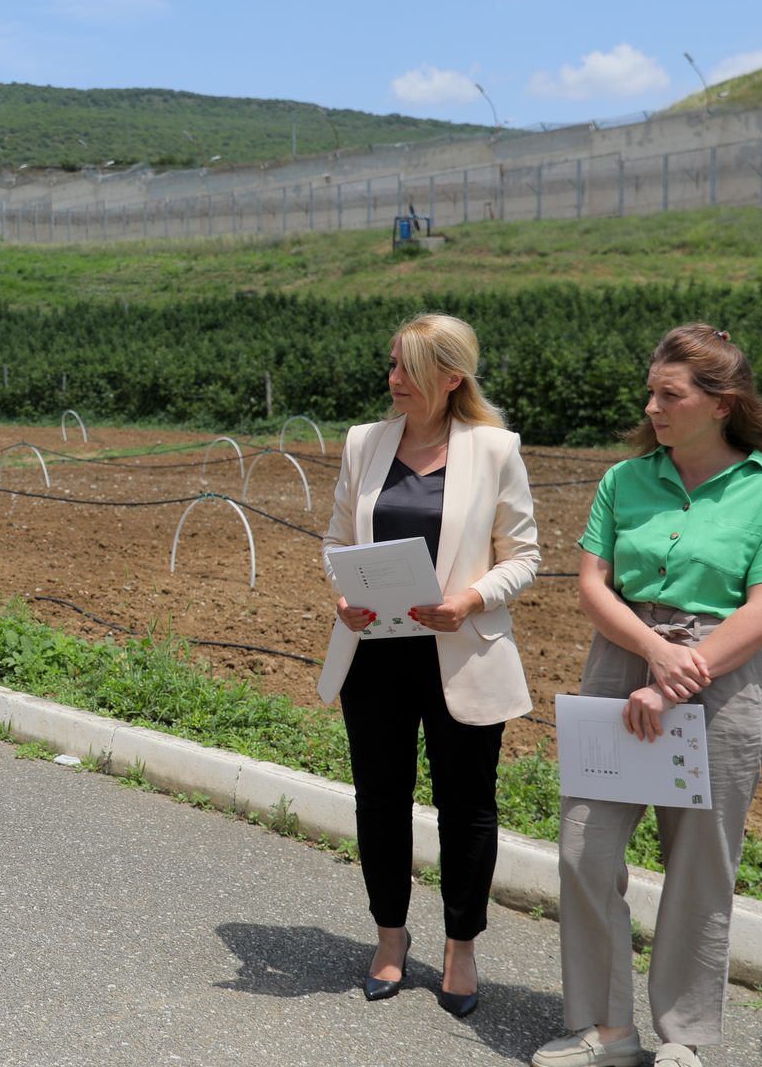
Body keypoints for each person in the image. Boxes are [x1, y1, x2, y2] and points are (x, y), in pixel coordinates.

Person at [532, 326, 762, 1067]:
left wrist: (683, 671)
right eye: (650, 392)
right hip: (621, 660)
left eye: (669, 394)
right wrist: (653, 653)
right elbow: (593, 584)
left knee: (699, 865)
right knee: (584, 848)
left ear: (722, 404)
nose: (651, 407)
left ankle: (684, 1037)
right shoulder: (624, 480)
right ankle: (605, 1030)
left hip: (720, 675)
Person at [319, 312, 540, 1018]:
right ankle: (390, 936)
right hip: (374, 656)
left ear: (451, 378)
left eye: (408, 368)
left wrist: (471, 599)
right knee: (380, 800)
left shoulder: (495, 450)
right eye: (390, 364)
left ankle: (460, 946)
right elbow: (336, 540)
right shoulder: (364, 443)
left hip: (461, 653)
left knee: (466, 808)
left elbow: (524, 556)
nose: (393, 379)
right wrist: (345, 594)